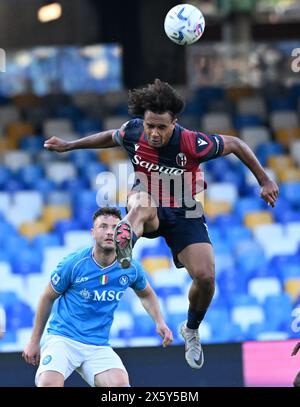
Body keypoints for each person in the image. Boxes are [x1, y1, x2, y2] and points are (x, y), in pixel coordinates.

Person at [44, 79, 279, 370]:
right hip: (147, 202)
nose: (154, 133)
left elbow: (235, 144)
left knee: (206, 277)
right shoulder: (133, 131)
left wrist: (264, 179)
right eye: (149, 126)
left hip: (184, 209)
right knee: (140, 202)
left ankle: (191, 328)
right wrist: (70, 146)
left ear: (174, 123)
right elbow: (109, 136)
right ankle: (126, 237)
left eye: (161, 127)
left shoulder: (191, 142)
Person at [22, 207, 173, 387]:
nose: (109, 232)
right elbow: (47, 297)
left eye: (115, 228)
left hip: (97, 345)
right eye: (103, 226)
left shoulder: (130, 267)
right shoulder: (74, 263)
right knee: (49, 384)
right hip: (63, 339)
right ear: (93, 233)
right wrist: (34, 341)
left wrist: (159, 321)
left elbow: (146, 294)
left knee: (120, 386)